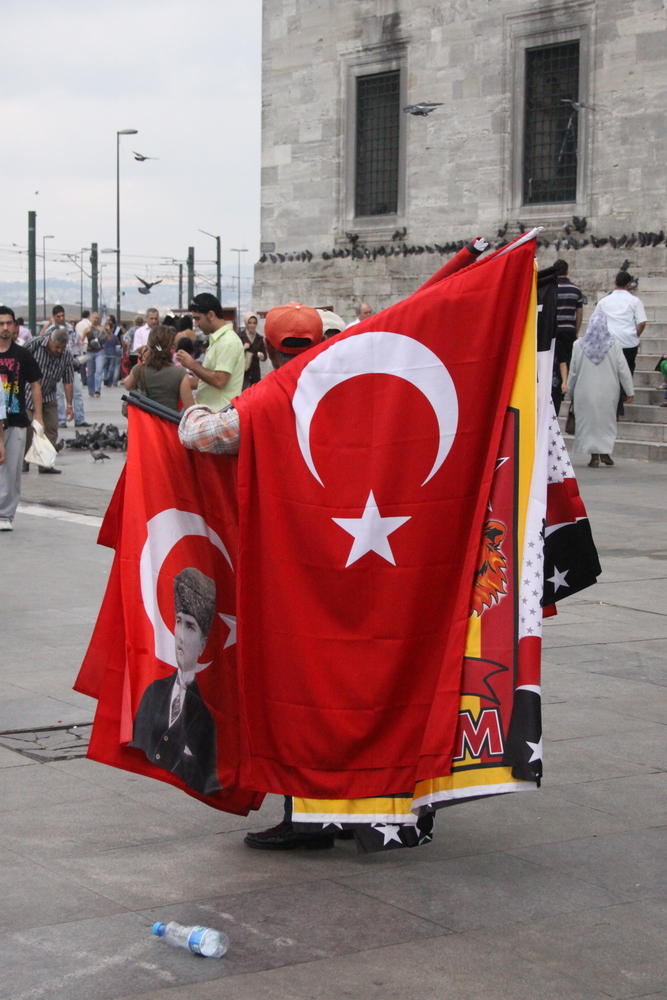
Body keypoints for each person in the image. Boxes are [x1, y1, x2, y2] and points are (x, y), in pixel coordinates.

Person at [179, 300, 332, 850]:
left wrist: (190, 407)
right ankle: (354, 802)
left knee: (293, 689)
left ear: (264, 348)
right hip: (354, 564)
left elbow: (201, 436)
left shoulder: (269, 399)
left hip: (290, 572)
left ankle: (308, 815)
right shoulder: (357, 390)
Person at [129, 567, 222, 796]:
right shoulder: (153, 692)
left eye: (190, 626)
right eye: (178, 621)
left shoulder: (210, 711)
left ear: (203, 642)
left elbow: (209, 775)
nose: (180, 634)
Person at [567, 312, 635, 468]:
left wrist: (569, 391)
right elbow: (623, 369)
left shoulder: (578, 345)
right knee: (606, 422)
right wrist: (629, 391)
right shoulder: (614, 344)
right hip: (608, 391)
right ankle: (605, 452)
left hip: (584, 391)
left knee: (588, 423)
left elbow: (574, 371)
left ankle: (594, 456)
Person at [0, 306, 44, 528]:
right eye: (1, 324)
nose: (5, 328)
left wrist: (39, 417)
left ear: (15, 326)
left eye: (9, 323)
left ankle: (5, 514)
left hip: (16, 419)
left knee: (12, 470)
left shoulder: (22, 354)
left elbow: (36, 384)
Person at [175, 294, 245, 412]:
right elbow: (207, 380)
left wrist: (192, 365)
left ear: (211, 315)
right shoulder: (219, 340)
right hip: (210, 413)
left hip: (217, 415)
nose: (196, 324)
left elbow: (219, 381)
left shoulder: (227, 342)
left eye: (197, 318)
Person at [24, 327, 75, 474]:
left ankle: (45, 463)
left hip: (48, 395)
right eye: (57, 347)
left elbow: (68, 381)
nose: (59, 350)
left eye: (62, 348)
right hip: (27, 392)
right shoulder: (35, 344)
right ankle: (23, 460)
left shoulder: (66, 357)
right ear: (51, 341)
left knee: (51, 428)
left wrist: (69, 405)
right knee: (27, 427)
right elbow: (18, 359)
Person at [123, 325, 195, 412]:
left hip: (145, 424)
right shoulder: (180, 373)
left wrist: (144, 362)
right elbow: (190, 409)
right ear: (172, 346)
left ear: (149, 345)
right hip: (170, 424)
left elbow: (127, 385)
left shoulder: (139, 369)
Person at [41, 306, 89, 429]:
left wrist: (79, 356)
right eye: (58, 316)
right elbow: (42, 342)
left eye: (63, 315)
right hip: (56, 364)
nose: (61, 318)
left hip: (71, 363)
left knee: (77, 392)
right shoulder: (50, 330)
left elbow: (78, 342)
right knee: (58, 393)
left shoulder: (70, 328)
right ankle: (61, 419)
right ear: (54, 317)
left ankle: (80, 418)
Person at [594, 271, 647, 378]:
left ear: (615, 282)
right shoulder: (635, 301)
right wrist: (635, 334)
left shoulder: (603, 301)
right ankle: (626, 393)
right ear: (629, 284)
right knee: (627, 372)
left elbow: (595, 322)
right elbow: (642, 323)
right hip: (629, 342)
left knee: (611, 373)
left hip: (609, 342)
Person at [239, 311, 266, 390]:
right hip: (243, 372)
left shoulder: (259, 338)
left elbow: (265, 356)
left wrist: (261, 355)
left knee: (255, 393)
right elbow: (234, 353)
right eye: (250, 323)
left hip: (255, 372)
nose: (252, 325)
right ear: (246, 323)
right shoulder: (240, 336)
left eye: (254, 323)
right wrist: (243, 348)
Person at [84, 313, 105, 396]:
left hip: (99, 351)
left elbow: (107, 338)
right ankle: (91, 391)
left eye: (97, 318)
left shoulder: (101, 329)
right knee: (90, 373)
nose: (95, 319)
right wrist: (82, 343)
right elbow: (82, 339)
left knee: (99, 371)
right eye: (93, 318)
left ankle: (97, 390)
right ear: (90, 319)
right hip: (90, 352)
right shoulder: (87, 329)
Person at [101, 316, 121, 387]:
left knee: (105, 367)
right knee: (111, 367)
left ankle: (105, 377)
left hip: (105, 353)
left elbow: (101, 343)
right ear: (112, 329)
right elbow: (118, 345)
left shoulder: (104, 336)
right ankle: (110, 381)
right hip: (113, 353)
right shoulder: (115, 337)